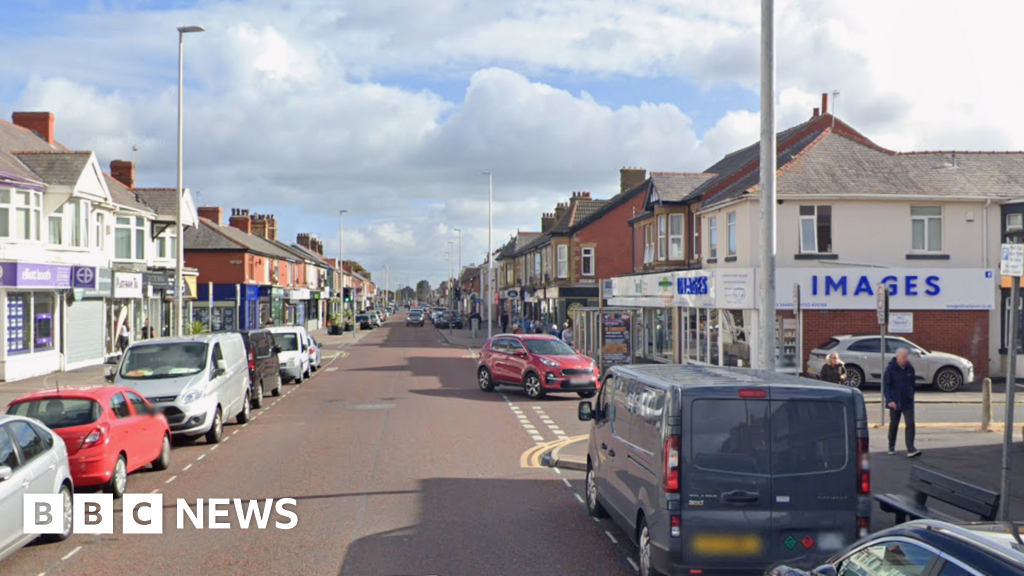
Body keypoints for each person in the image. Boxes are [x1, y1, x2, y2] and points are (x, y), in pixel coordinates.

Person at [884, 348, 920, 458]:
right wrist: (889, 400)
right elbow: (886, 386)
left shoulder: (910, 368)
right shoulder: (891, 369)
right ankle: (891, 446)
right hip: (895, 401)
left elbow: (912, 384)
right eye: (903, 357)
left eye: (906, 356)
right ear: (898, 357)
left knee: (910, 424)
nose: (905, 359)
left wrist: (911, 395)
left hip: (907, 401)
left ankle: (911, 448)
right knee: (894, 424)